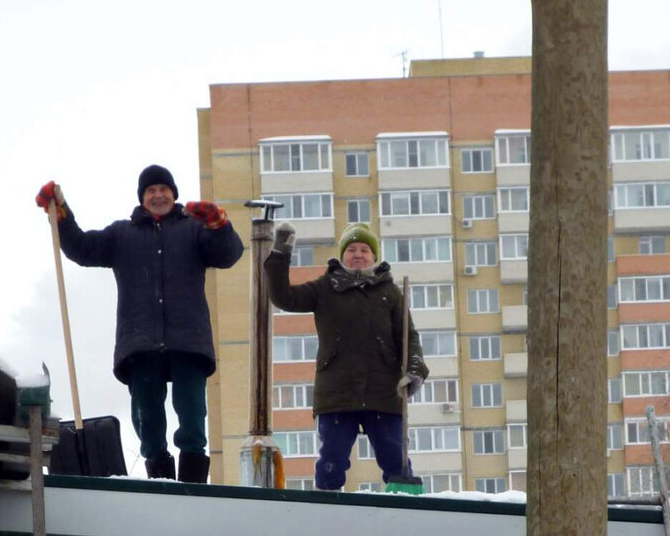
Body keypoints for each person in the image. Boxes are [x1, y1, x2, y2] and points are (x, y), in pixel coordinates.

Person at [35, 166, 244, 483]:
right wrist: (61, 215)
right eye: (151, 190)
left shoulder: (193, 230)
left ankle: (192, 485)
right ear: (142, 198)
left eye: (164, 189)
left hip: (188, 341)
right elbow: (81, 247)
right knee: (148, 421)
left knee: (192, 417)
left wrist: (218, 225)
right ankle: (160, 481)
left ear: (174, 194)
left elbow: (228, 254)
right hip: (141, 344)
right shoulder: (123, 235)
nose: (158, 195)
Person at [265, 222, 429, 491]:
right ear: (342, 256)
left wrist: (414, 370)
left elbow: (408, 337)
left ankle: (407, 505)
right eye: (351, 249)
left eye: (365, 249)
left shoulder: (390, 292)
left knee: (395, 458)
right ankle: (327, 511)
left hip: (384, 392)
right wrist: (281, 254)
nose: (358, 254)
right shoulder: (325, 287)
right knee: (332, 459)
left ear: (374, 257)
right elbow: (285, 298)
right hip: (337, 393)